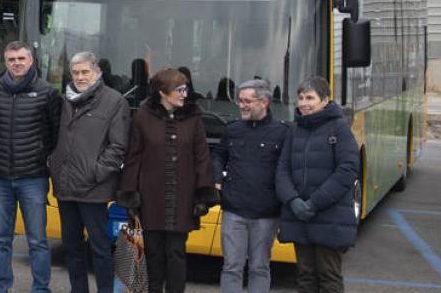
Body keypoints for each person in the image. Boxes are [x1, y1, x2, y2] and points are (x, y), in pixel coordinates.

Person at [117, 68, 218, 293]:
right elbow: (133, 157)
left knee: (176, 252)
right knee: (153, 252)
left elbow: (202, 157)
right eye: (179, 89)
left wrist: (203, 194)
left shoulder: (193, 117)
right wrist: (130, 195)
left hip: (183, 197)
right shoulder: (143, 116)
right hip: (151, 196)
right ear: (163, 92)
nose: (185, 94)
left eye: (185, 89)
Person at [48, 52, 129, 293]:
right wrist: (53, 165)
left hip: (94, 188)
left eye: (85, 72)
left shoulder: (114, 102)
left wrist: (96, 172)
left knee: (100, 248)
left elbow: (118, 146)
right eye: (76, 73)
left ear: (97, 72)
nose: (80, 77)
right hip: (65, 188)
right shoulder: (64, 100)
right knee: (72, 248)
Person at [0, 41, 61, 293]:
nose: (16, 63)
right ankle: (0, 287)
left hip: (33, 178)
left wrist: (43, 160)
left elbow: (54, 133)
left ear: (31, 60)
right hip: (0, 179)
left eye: (21, 58)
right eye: (11, 59)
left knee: (38, 240)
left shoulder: (47, 92)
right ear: (5, 62)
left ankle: (41, 289)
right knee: (0, 239)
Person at [275, 77, 359, 293]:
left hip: (329, 217)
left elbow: (347, 170)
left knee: (329, 277)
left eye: (310, 98)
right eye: (300, 98)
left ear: (325, 100)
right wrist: (293, 201)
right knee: (305, 277)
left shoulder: (339, 128)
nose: (303, 103)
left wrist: (314, 203)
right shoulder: (294, 130)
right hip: (299, 217)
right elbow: (282, 170)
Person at [212, 78, 289, 293]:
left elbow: (286, 169)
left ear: (264, 102)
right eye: (240, 101)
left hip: (266, 214)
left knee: (260, 267)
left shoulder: (282, 133)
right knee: (231, 267)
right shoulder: (233, 130)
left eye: (247, 101)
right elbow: (218, 155)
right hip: (234, 211)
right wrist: (217, 178)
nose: (242, 105)